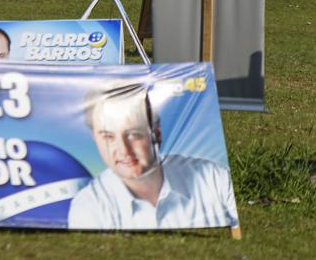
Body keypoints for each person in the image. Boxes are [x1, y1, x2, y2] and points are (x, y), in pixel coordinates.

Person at [67, 82, 239, 230]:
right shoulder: (89, 206)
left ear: (156, 133)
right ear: (95, 139)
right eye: (108, 136)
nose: (123, 150)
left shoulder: (214, 179)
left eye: (133, 134)